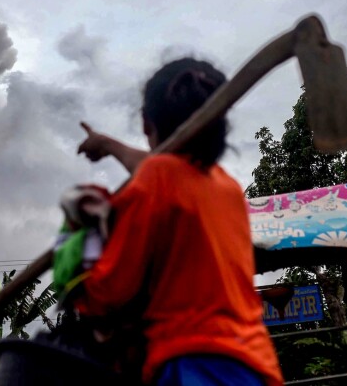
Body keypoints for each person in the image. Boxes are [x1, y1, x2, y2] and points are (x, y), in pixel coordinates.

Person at [74, 58, 283, 386]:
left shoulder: (158, 179)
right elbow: (163, 170)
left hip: (194, 364)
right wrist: (109, 145)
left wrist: (76, 235)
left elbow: (108, 293)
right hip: (254, 364)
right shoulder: (226, 186)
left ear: (146, 124)